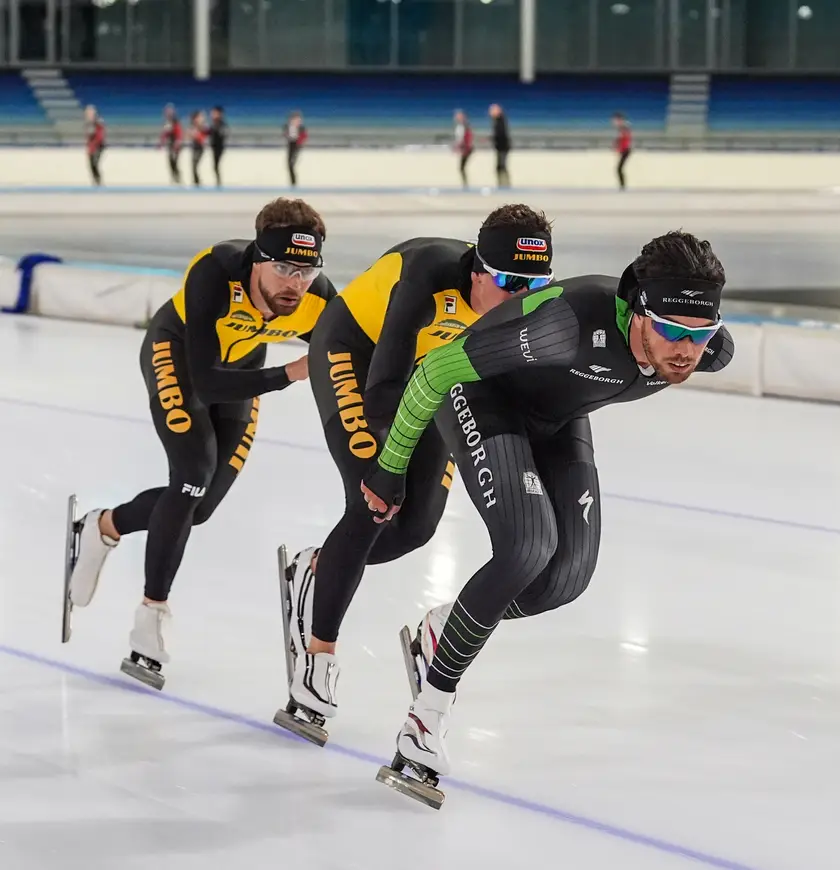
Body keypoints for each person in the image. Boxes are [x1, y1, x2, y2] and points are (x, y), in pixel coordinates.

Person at [363, 230, 736, 806]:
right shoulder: (565, 325)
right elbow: (435, 369)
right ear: (638, 310)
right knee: (526, 547)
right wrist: (390, 468)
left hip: (562, 417)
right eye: (671, 331)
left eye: (700, 332)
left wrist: (689, 334)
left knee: (565, 580)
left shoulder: (708, 347)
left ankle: (444, 631)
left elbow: (689, 338)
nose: (687, 349)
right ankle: (425, 720)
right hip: (481, 395)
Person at [272, 203, 556, 744]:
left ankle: (318, 569)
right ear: (476, 270)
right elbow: (381, 394)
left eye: (536, 285)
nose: (523, 299)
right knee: (374, 499)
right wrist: (390, 465)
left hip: (430, 377)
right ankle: (317, 657)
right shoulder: (427, 275)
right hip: (357, 353)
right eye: (510, 282)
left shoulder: (528, 305)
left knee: (419, 526)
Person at [63, 198, 337, 690]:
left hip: (246, 368)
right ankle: (150, 617)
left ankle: (103, 526)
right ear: (257, 258)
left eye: (306, 270)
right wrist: (292, 373)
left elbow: (351, 360)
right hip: (181, 355)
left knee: (202, 506)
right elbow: (208, 384)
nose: (294, 283)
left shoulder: (319, 298)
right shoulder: (216, 271)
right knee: (191, 478)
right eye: (282, 267)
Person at [489, 103, 511, 188]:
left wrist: (493, 139)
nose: (490, 113)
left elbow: (501, 134)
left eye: (492, 111)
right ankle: (502, 184)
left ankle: (505, 185)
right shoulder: (497, 120)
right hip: (500, 146)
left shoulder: (500, 120)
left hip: (503, 147)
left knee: (501, 166)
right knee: (500, 166)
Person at [160, 104, 183, 185]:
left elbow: (179, 132)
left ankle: (178, 177)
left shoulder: (175, 121)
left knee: (175, 162)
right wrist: (161, 143)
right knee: (170, 161)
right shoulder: (166, 122)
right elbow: (164, 134)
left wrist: (178, 142)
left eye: (170, 112)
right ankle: (173, 177)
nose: (168, 113)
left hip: (176, 145)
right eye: (167, 112)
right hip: (170, 145)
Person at [284, 111, 308, 187]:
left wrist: (300, 142)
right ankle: (292, 182)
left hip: (297, 146)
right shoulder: (287, 126)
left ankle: (294, 183)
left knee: (292, 163)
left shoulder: (301, 127)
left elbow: (304, 136)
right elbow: (286, 134)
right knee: (289, 164)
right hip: (291, 145)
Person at [84, 105, 105, 186]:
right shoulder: (87, 123)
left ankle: (98, 181)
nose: (88, 114)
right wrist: (89, 147)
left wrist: (95, 145)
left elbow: (100, 135)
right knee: (91, 164)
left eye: (90, 113)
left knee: (95, 163)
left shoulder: (98, 121)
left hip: (98, 145)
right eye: (87, 113)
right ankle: (95, 181)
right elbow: (88, 137)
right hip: (92, 146)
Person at [453, 109, 474, 188]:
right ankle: (465, 184)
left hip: (466, 149)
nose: (456, 117)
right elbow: (459, 138)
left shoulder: (464, 126)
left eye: (458, 116)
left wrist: (465, 147)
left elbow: (467, 137)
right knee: (461, 168)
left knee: (462, 167)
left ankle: (465, 184)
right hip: (464, 148)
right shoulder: (460, 126)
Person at [612, 112, 632, 190]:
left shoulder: (623, 127)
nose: (614, 122)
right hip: (624, 150)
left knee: (619, 168)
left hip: (626, 150)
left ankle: (623, 186)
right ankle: (622, 185)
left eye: (615, 120)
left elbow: (624, 138)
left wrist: (618, 147)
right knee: (619, 168)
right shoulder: (622, 127)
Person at [210, 106, 228, 187]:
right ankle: (218, 182)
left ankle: (219, 182)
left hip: (219, 148)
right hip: (214, 147)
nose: (213, 115)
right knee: (215, 166)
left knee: (216, 166)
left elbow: (223, 134)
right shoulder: (214, 124)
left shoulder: (221, 124)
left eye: (215, 113)